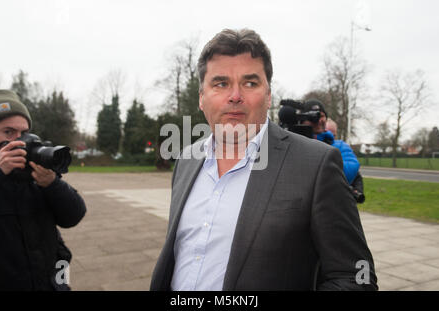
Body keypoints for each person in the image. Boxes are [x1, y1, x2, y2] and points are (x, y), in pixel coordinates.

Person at [150, 29, 377, 291]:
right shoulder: (187, 161)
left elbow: (358, 276)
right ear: (202, 98)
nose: (235, 95)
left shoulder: (316, 165)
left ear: (268, 96)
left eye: (250, 83)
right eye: (221, 83)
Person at [0, 89, 86, 290]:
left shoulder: (34, 169)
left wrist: (52, 184)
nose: (19, 140)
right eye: (8, 132)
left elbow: (73, 216)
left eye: (23, 133)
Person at [326, 119, 365, 202]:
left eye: (333, 135)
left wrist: (357, 191)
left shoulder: (341, 148)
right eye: (327, 132)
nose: (330, 136)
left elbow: (357, 176)